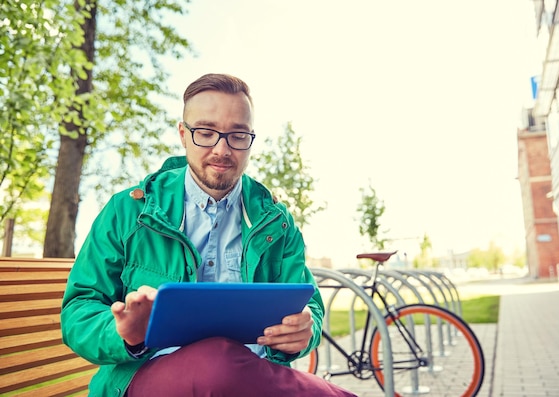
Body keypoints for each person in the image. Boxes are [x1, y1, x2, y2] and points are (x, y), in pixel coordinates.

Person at [61, 73, 356, 397]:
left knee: (225, 364)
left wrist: (304, 331)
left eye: (238, 135)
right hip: (149, 377)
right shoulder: (128, 212)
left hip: (253, 382)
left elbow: (308, 304)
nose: (222, 149)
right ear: (183, 134)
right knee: (217, 359)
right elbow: (79, 310)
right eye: (206, 132)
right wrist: (125, 335)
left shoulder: (277, 221)